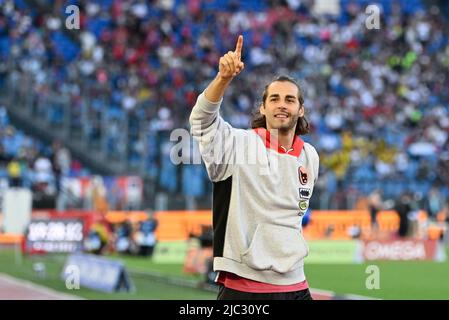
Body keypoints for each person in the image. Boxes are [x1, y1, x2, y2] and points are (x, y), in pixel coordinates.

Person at [189, 35, 319, 300]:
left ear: (301, 109)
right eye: (274, 99)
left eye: (289, 99)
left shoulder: (310, 156)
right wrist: (223, 79)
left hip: (296, 285)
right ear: (263, 107)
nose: (282, 104)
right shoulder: (239, 144)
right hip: (244, 287)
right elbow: (201, 120)